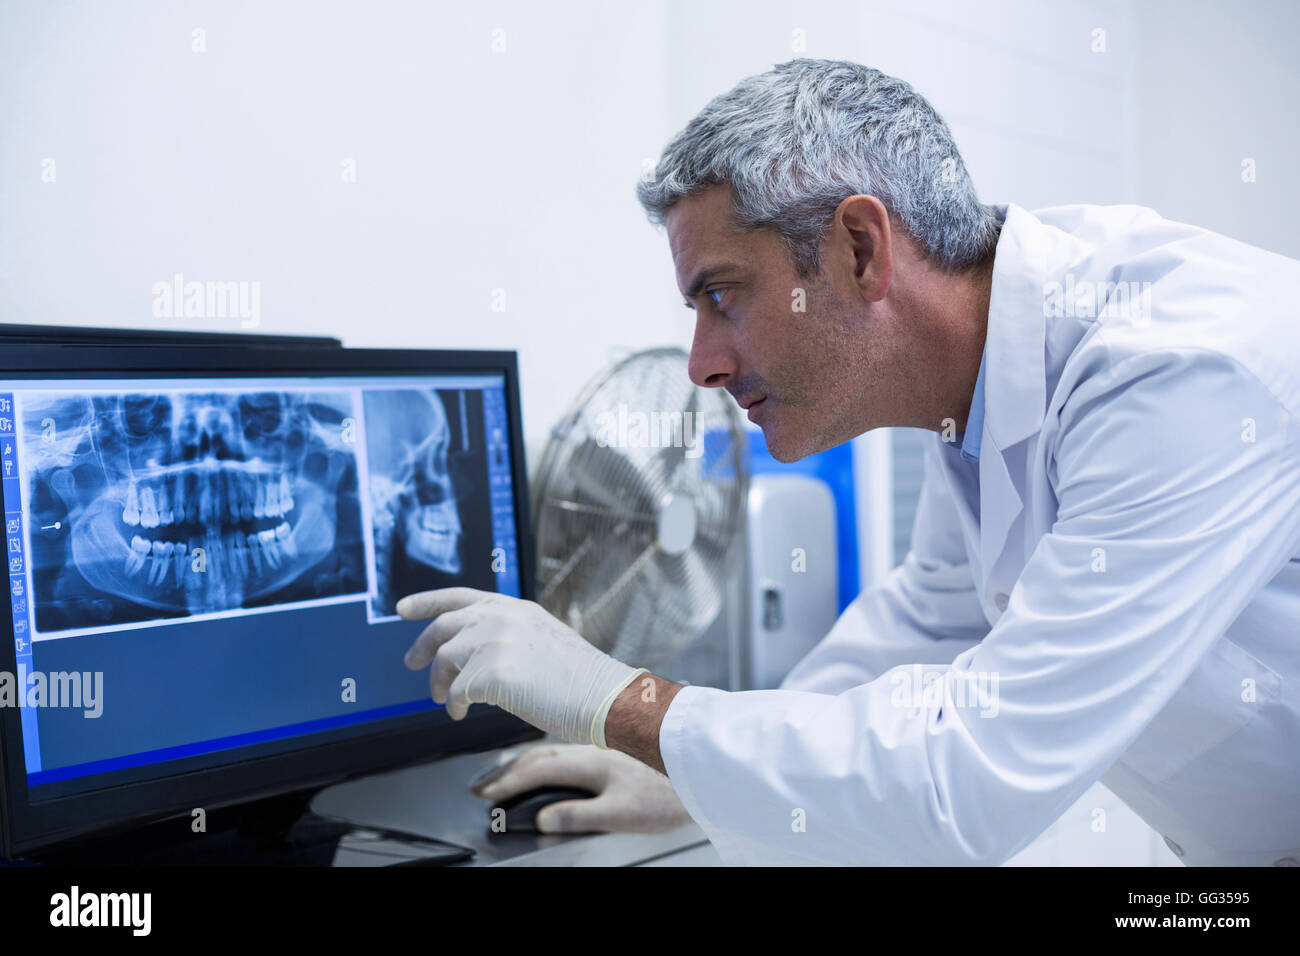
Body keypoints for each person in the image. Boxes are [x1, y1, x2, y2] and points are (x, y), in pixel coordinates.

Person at [396, 59, 1300, 865]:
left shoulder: (1180, 371)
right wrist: (681, 773)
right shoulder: (983, 381)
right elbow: (931, 618)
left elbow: (964, 782)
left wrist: (623, 703)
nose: (701, 363)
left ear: (859, 250)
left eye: (721, 296)